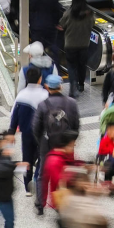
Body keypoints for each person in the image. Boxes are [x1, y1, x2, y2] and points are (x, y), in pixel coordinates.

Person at [32, 72, 80, 213]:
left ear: (47, 87)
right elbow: (76, 125)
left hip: (47, 145)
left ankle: (40, 204)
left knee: (43, 175)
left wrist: (41, 142)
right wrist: (71, 141)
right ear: (61, 86)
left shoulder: (42, 105)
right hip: (66, 145)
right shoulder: (71, 103)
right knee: (66, 173)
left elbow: (35, 128)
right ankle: (63, 203)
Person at [9, 65, 47, 193]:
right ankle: (37, 178)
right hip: (41, 133)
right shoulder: (45, 95)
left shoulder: (21, 95)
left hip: (26, 134)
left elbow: (14, 116)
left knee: (27, 159)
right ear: (40, 79)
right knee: (42, 156)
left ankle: (27, 188)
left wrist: (11, 132)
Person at [58, 0, 96, 98]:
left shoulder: (68, 13)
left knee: (71, 66)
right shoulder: (89, 13)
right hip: (84, 45)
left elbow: (61, 24)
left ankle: (72, 87)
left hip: (70, 45)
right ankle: (81, 85)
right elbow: (93, 24)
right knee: (82, 66)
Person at [29, 0, 64, 65]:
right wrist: (57, 23)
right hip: (50, 26)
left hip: (37, 26)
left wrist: (31, 23)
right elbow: (56, 9)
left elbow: (31, 9)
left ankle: (37, 67)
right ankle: (55, 67)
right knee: (53, 46)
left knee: (37, 47)